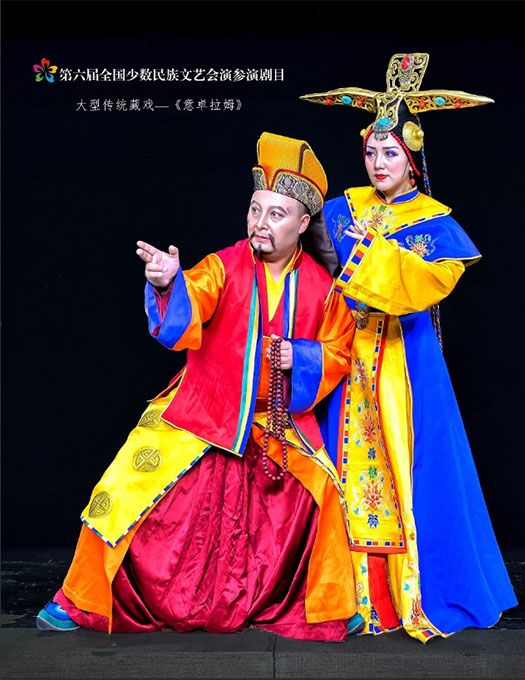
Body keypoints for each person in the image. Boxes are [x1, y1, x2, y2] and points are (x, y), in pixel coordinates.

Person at [36, 131, 362, 641]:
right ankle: (78, 598)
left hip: (277, 420)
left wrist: (299, 358)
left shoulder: (325, 290)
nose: (260, 223)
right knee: (123, 485)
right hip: (202, 406)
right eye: (255, 210)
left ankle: (330, 607)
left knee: (326, 490)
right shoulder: (224, 265)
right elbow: (192, 298)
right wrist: (168, 282)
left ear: (302, 224)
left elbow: (339, 353)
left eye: (276, 214)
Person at [301, 53, 518, 642]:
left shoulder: (435, 224)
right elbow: (315, 270)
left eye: (390, 153)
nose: (378, 164)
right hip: (345, 357)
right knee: (336, 469)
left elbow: (423, 286)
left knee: (414, 472)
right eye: (371, 151)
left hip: (405, 364)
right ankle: (345, 595)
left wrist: (370, 253)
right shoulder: (342, 209)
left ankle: (408, 593)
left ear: (412, 158)